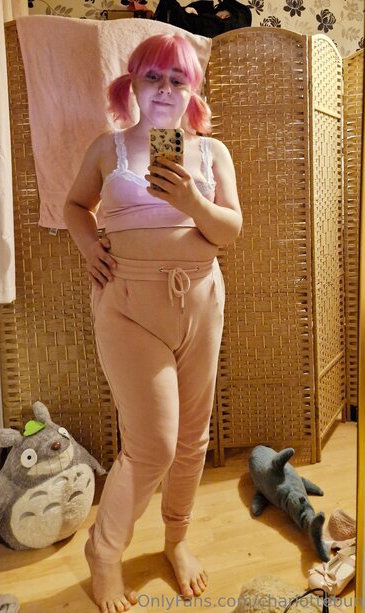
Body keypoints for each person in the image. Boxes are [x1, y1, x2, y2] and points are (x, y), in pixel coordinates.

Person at [64, 33, 242, 613]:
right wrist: (89, 244)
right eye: (153, 77)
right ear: (132, 85)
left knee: (193, 438)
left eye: (177, 79)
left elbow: (230, 230)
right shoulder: (108, 148)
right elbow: (75, 206)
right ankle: (105, 553)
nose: (165, 89)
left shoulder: (211, 153)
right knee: (153, 443)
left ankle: (177, 538)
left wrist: (193, 203)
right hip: (129, 304)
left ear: (192, 92)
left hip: (201, 300)